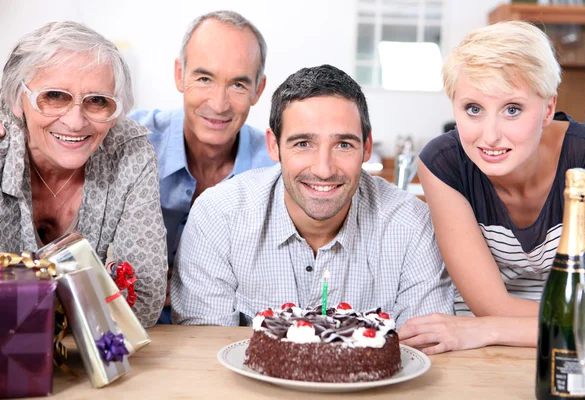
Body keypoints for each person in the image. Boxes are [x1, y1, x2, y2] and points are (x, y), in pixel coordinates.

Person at [171, 64, 454, 326]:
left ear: (367, 148)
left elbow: (425, 352)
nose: (323, 169)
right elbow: (206, 347)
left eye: (343, 144)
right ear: (274, 146)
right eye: (303, 143)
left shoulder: (411, 225)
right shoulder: (218, 217)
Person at [397, 21, 585, 354]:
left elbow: (493, 318)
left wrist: (488, 328)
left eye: (512, 109)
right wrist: (489, 325)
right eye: (473, 109)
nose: (489, 136)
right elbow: (490, 304)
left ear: (547, 109)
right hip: (479, 345)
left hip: (574, 347)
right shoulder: (443, 163)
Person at [0, 21, 168, 328]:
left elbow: (143, 300)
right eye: (54, 96)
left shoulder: (129, 151)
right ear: (15, 99)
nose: (76, 121)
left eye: (98, 101)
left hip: (89, 362)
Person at [129, 11, 275, 323]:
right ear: (179, 74)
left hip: (225, 339)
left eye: (238, 84)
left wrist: (198, 290)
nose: (219, 104)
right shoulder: (128, 143)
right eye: (204, 78)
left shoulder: (276, 170)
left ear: (258, 90)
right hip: (129, 335)